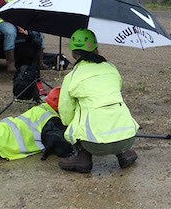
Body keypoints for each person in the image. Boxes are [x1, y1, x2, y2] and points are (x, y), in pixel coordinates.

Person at [57, 28, 139, 173]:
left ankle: (83, 157)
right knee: (109, 105)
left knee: (81, 113)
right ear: (96, 48)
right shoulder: (111, 68)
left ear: (73, 53)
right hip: (128, 138)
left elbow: (65, 111)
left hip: (93, 144)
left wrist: (72, 131)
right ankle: (123, 153)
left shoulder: (72, 76)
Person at [0, 0, 42, 72]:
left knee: (39, 31)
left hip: (20, 22)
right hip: (4, 21)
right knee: (11, 33)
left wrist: (27, 27)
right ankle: (10, 64)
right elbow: (5, 15)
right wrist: (20, 27)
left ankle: (39, 61)